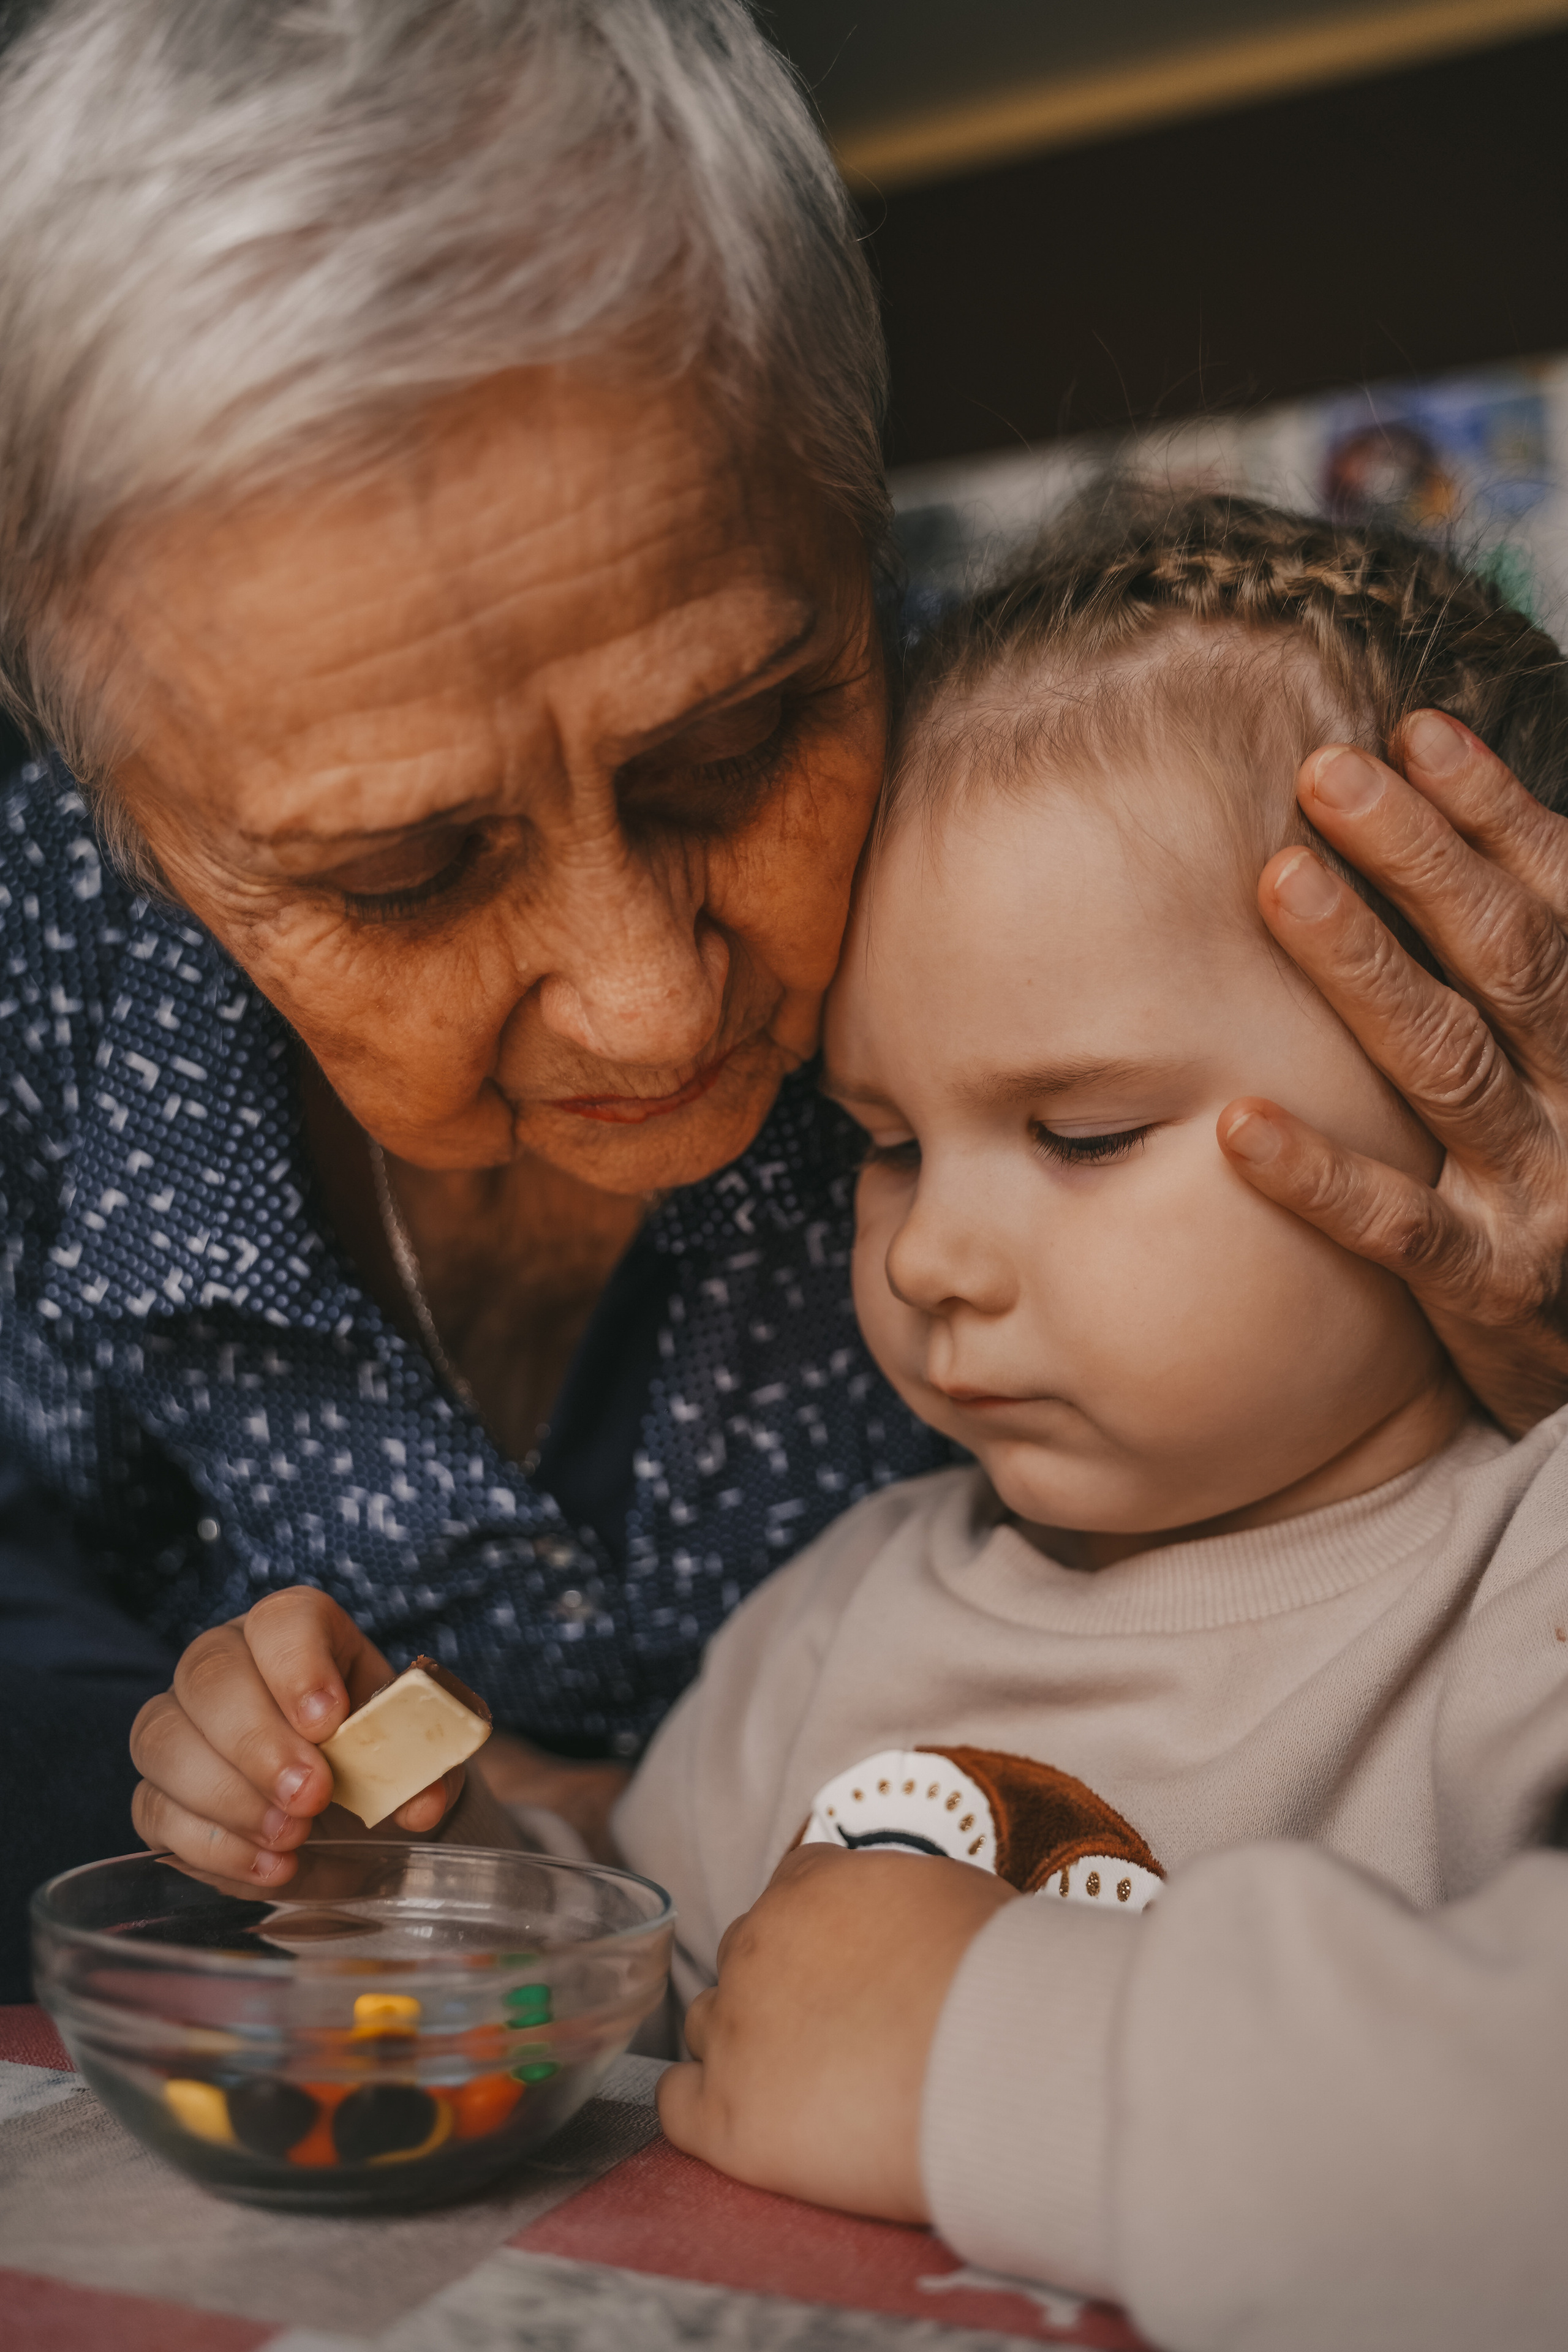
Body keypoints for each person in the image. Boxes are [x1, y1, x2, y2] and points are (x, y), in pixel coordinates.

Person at [4, 0, 1568, 2001]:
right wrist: (320, 1826)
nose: (654, 1015)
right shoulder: (43, 951)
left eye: (733, 746)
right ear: (122, 810)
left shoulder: (1096, 785)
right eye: (402, 872)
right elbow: (629, 1913)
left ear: (854, 518)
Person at [616, 499, 1568, 2350]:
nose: (938, 1258)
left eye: (1081, 1135)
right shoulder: (839, 1609)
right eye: (886, 1146)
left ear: (1469, 1096)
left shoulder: (1526, 1587)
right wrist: (393, 1856)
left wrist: (983, 2044)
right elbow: (630, 1989)